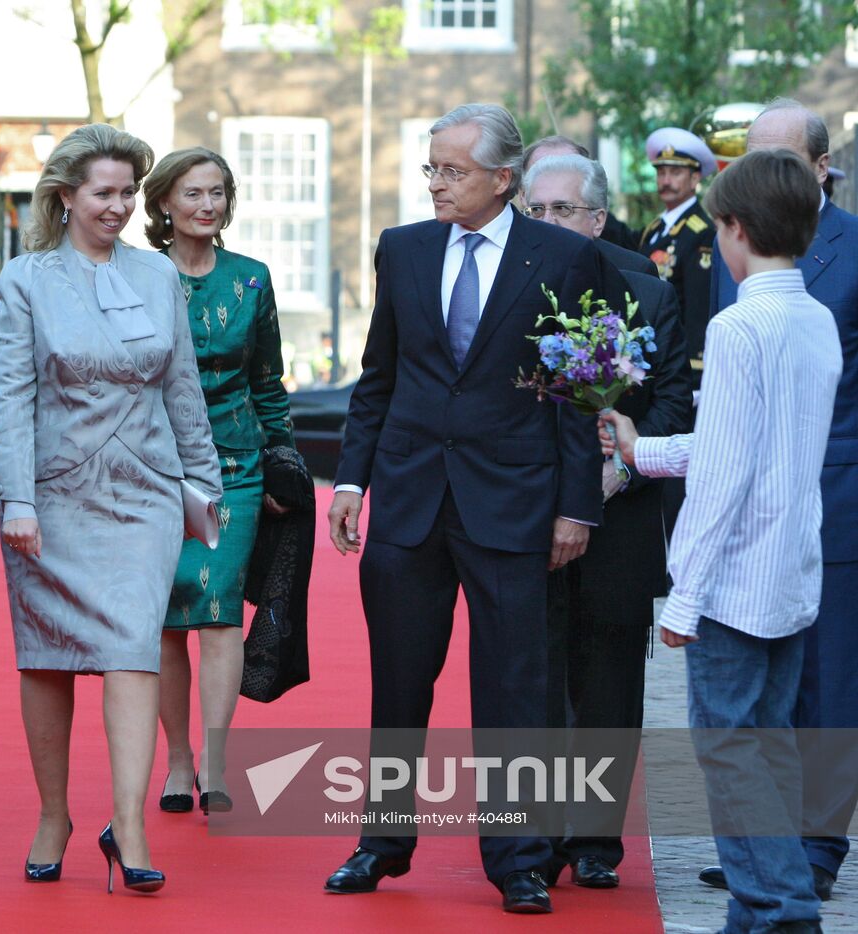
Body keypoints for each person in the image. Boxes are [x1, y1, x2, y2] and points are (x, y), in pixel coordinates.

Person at [323, 103, 619, 914]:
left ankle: (519, 858)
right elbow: (377, 376)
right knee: (399, 684)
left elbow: (574, 396)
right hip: (411, 499)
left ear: (503, 179)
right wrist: (352, 481)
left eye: (452, 170)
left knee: (514, 690)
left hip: (515, 504)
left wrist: (577, 507)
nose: (436, 184)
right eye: (430, 167)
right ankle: (381, 844)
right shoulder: (405, 248)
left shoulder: (564, 256)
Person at [601, 147, 840, 934]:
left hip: (738, 578)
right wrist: (645, 451)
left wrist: (687, 594)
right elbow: (749, 446)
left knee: (731, 751)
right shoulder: (816, 320)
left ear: (732, 229)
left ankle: (778, 907)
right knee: (765, 746)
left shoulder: (741, 325)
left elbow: (728, 471)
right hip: (792, 572)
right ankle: (762, 906)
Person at [0, 123, 222, 893]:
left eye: (127, 192)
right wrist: (15, 498)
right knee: (48, 655)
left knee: (132, 644)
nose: (119, 206)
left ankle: (128, 824)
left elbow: (182, 386)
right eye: (104, 193)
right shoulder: (25, 280)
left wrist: (205, 484)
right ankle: (53, 813)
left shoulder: (157, 278)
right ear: (66, 196)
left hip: (146, 496)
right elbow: (10, 398)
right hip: (52, 499)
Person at [700, 98, 858, 906]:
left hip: (826, 502)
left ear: (821, 167)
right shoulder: (744, 264)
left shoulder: (849, 255)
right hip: (764, 517)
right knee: (762, 716)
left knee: (817, 695)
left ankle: (808, 861)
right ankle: (769, 872)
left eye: (777, 158)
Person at [521, 155, 692, 888]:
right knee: (531, 674)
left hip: (620, 521)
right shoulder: (508, 294)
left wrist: (617, 470)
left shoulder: (651, 295)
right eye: (538, 212)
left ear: (597, 220)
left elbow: (674, 405)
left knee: (610, 683)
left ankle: (593, 841)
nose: (551, 225)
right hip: (526, 519)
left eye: (564, 211)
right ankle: (529, 839)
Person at [139, 146, 293, 816]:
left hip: (234, 467)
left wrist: (284, 457)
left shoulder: (252, 281)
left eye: (218, 194)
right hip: (148, 467)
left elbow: (269, 385)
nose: (207, 206)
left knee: (220, 609)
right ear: (165, 202)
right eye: (194, 194)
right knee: (167, 618)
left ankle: (219, 758)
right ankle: (176, 764)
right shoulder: (136, 276)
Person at [637, 127, 717, 392]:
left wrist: (697, 369)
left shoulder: (700, 232)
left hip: (680, 362)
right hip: (653, 354)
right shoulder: (655, 229)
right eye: (661, 172)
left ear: (695, 178)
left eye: (675, 172)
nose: (666, 180)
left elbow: (698, 307)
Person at [522, 136, 640, 254]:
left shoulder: (625, 262)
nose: (547, 221)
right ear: (523, 195)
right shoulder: (507, 261)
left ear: (598, 220)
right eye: (537, 209)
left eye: (562, 208)